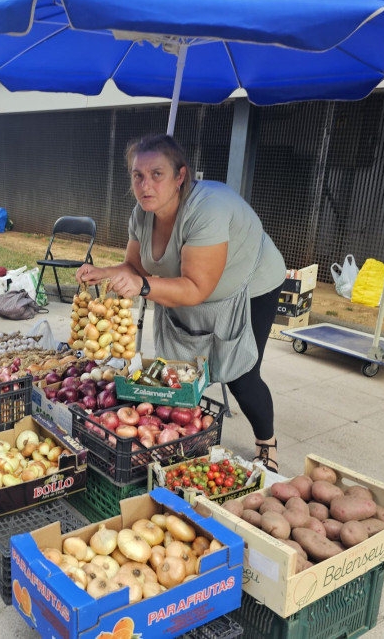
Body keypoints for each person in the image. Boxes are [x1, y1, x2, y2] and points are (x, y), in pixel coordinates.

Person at [76, 134, 286, 472]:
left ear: (180, 175)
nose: (145, 184)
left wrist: (143, 286)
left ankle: (267, 444)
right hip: (191, 285)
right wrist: (104, 272)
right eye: (137, 175)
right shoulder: (142, 214)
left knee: (241, 374)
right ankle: (186, 431)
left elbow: (197, 288)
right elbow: (136, 267)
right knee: (179, 373)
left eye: (157, 174)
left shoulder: (208, 210)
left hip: (250, 283)